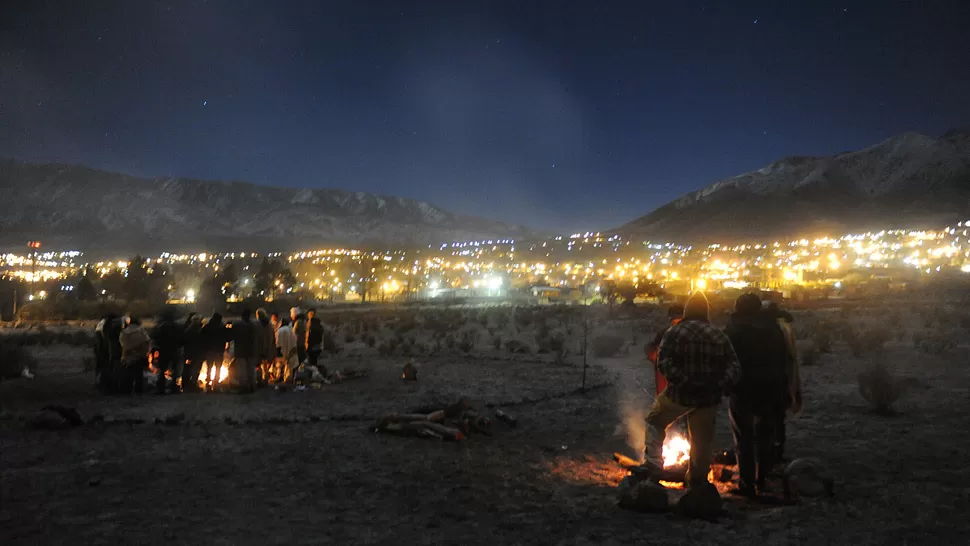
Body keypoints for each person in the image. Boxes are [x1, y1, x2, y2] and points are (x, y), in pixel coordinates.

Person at [642, 291, 740, 488]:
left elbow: (663, 361)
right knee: (701, 443)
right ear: (706, 312)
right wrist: (720, 385)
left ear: (687, 311)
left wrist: (681, 380)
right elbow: (735, 367)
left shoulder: (674, 332)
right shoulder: (718, 335)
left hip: (679, 395)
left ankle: (653, 466)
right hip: (708, 398)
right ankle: (697, 483)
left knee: (654, 421)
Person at [725, 294, 790, 497]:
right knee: (765, 436)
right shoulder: (773, 329)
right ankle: (762, 479)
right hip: (770, 388)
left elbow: (726, 357)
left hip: (743, 389)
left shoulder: (734, 330)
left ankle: (746, 482)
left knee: (743, 436)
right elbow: (784, 358)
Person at [766, 302, 801, 463]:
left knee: (769, 419)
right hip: (782, 379)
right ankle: (777, 450)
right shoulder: (784, 328)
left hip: (771, 379)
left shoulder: (769, 331)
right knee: (778, 418)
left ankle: (771, 452)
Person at [151, 307, 184, 395]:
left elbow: (155, 338)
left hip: (164, 351)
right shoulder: (177, 327)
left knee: (162, 370)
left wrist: (157, 348)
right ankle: (174, 388)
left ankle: (160, 388)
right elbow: (182, 338)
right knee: (175, 370)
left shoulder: (161, 327)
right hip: (175, 350)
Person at [118, 316, 150, 395]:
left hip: (127, 355)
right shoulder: (141, 331)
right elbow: (146, 342)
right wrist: (144, 353)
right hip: (138, 356)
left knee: (128, 374)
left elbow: (122, 343)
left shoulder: (124, 332)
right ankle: (138, 391)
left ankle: (127, 391)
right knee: (138, 374)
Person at [231, 308, 258, 393]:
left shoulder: (237, 325)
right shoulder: (253, 325)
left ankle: (244, 386)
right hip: (250, 350)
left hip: (240, 351)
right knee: (251, 369)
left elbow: (232, 335)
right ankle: (252, 385)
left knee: (242, 370)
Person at [200, 312, 229, 390]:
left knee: (209, 367)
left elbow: (202, 337)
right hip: (219, 350)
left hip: (209, 350)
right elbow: (227, 337)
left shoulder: (207, 327)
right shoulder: (222, 327)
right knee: (218, 367)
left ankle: (208, 382)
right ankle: (216, 383)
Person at [181, 314, 205, 392]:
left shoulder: (188, 330)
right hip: (195, 354)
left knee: (188, 369)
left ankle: (186, 385)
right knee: (194, 369)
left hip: (189, 354)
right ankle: (191, 385)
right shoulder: (198, 330)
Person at [103, 314, 125, 395]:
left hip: (112, 352)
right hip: (117, 353)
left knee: (112, 369)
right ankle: (115, 388)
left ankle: (111, 388)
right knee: (116, 371)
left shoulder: (109, 329)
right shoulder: (116, 331)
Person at [254, 308, 277, 386]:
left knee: (258, 365)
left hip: (259, 347)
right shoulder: (270, 324)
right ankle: (265, 381)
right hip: (268, 347)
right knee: (265, 366)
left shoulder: (257, 324)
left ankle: (259, 380)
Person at [276, 317, 298, 384]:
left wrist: (277, 351)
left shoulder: (280, 330)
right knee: (289, 367)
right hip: (291, 350)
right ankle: (288, 380)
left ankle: (280, 377)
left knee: (280, 366)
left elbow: (278, 342)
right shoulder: (291, 330)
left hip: (282, 351)